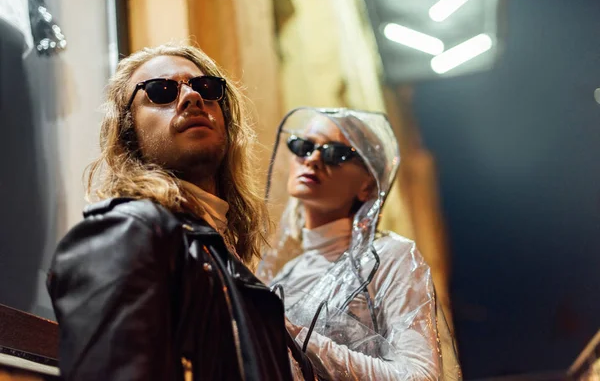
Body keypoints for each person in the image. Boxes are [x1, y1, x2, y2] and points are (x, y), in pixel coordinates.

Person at [46, 44, 319, 381]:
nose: (192, 97)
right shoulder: (126, 231)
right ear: (130, 133)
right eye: (161, 91)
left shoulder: (215, 249)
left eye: (206, 88)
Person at [259, 107, 462, 380]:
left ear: (367, 185)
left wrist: (294, 335)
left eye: (335, 153)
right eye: (303, 146)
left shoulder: (390, 257)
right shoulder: (286, 276)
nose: (313, 159)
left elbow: (420, 376)